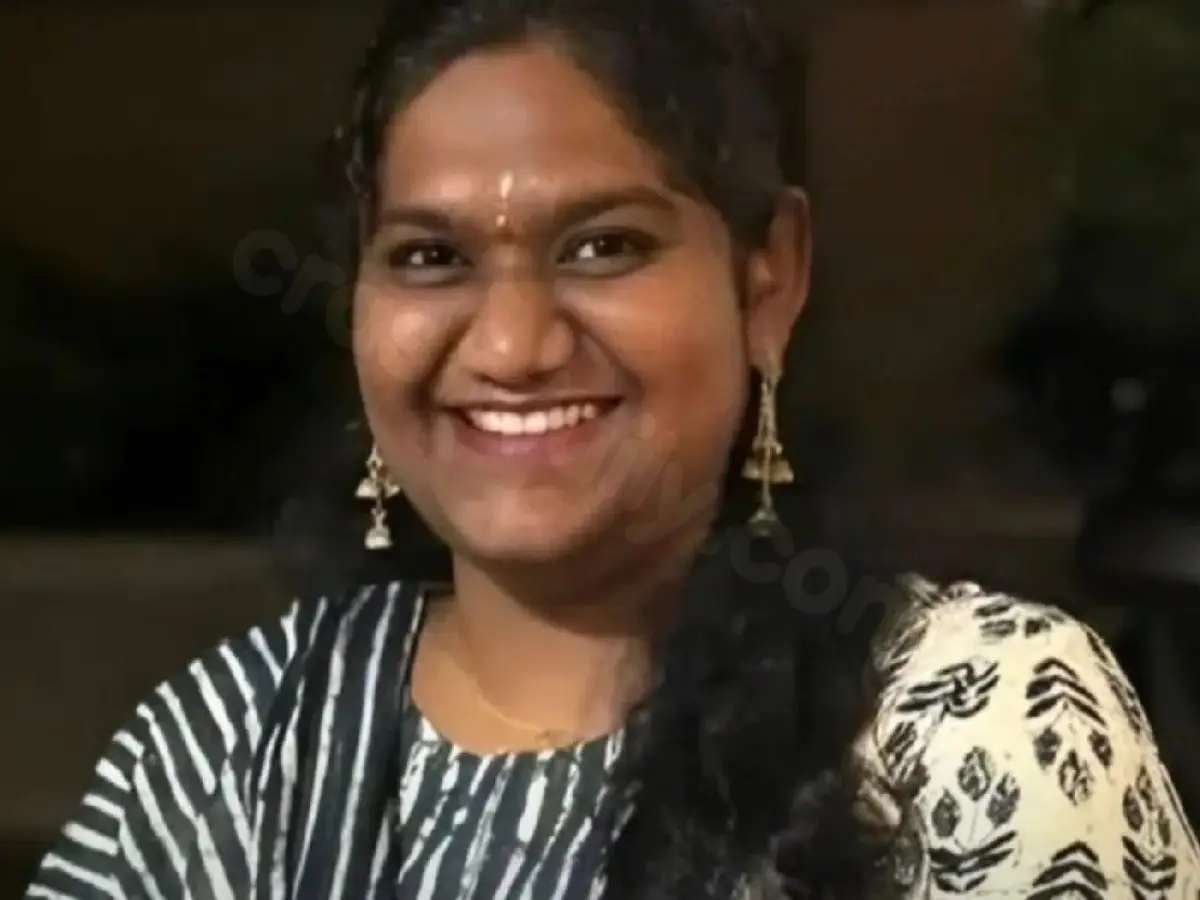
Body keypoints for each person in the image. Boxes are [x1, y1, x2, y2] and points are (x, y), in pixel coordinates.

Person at [26, 0, 1199, 897]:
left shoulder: (979, 725)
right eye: (430, 258)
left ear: (768, 282)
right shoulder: (239, 749)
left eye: (602, 247)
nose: (512, 346)